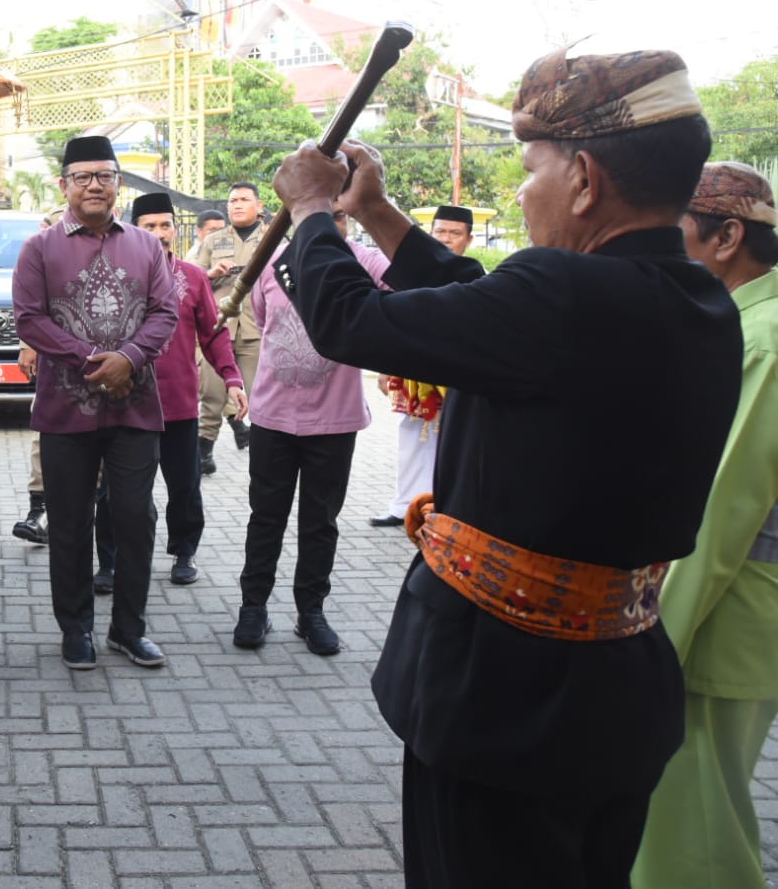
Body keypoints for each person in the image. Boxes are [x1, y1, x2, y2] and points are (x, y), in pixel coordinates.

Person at [267, 48, 742, 888]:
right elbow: (477, 302)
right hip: (613, 693)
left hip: (505, 697)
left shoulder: (563, 297)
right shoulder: (696, 303)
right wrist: (376, 216)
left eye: (531, 168)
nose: (522, 192)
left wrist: (310, 211)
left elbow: (349, 322)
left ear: (585, 178)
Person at [634, 162, 778, 889]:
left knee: (692, 832)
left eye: (672, 235)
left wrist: (658, 639)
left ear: (726, 236)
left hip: (718, 624)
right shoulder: (741, 321)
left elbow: (721, 507)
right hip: (730, 617)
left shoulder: (762, 338)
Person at [12, 135, 178, 670]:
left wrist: (128, 358)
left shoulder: (147, 246)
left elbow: (165, 313)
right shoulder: (39, 248)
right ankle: (76, 628)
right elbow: (29, 319)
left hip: (136, 407)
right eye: (82, 176)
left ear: (118, 184)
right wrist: (94, 361)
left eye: (104, 175)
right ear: (64, 185)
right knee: (69, 521)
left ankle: (129, 630)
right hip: (66, 411)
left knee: (135, 517)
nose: (93, 185)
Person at [231, 198, 388, 656]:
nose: (328, 220)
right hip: (274, 416)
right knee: (266, 516)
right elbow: (264, 321)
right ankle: (253, 607)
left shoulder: (362, 259)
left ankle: (311, 611)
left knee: (320, 521)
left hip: (335, 419)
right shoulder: (273, 263)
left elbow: (401, 283)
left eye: (337, 212)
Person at [128, 191, 245, 585]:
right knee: (119, 491)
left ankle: (184, 552)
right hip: (127, 404)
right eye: (150, 226)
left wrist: (231, 377)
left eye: (165, 226)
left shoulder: (193, 277)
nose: (159, 234)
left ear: (176, 230)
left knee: (184, 486)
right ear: (133, 230)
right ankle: (112, 560)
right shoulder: (118, 277)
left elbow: (213, 335)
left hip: (178, 403)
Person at [369, 204, 475, 528]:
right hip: (413, 369)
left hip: (454, 372)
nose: (446, 239)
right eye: (440, 231)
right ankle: (404, 506)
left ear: (468, 240)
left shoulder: (472, 275)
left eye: (455, 233)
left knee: (452, 439)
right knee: (411, 434)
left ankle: (446, 509)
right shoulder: (414, 271)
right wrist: (385, 366)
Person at [194, 181, 267, 472]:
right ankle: (203, 455)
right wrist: (211, 274)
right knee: (211, 397)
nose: (237, 204)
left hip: (255, 331)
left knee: (260, 399)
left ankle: (266, 457)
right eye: (233, 200)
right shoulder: (213, 241)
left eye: (244, 199)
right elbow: (194, 279)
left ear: (258, 206)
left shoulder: (274, 240)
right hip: (217, 331)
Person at [12, 207, 67, 546]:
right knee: (42, 436)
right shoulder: (42, 255)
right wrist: (27, 345)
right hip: (54, 366)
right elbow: (32, 307)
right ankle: (39, 511)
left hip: (104, 367)